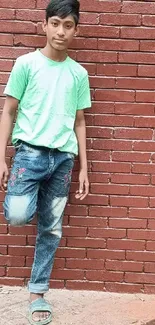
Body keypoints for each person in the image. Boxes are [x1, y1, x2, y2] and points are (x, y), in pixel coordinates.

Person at [0, 0, 91, 324]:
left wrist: (84, 167)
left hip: (63, 159)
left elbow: (79, 121)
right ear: (45, 26)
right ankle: (30, 194)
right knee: (18, 214)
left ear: (76, 30)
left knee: (51, 230)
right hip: (29, 154)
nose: (61, 31)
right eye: (55, 23)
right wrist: (1, 158)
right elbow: (8, 111)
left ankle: (38, 293)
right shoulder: (26, 65)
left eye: (68, 25)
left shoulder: (78, 73)